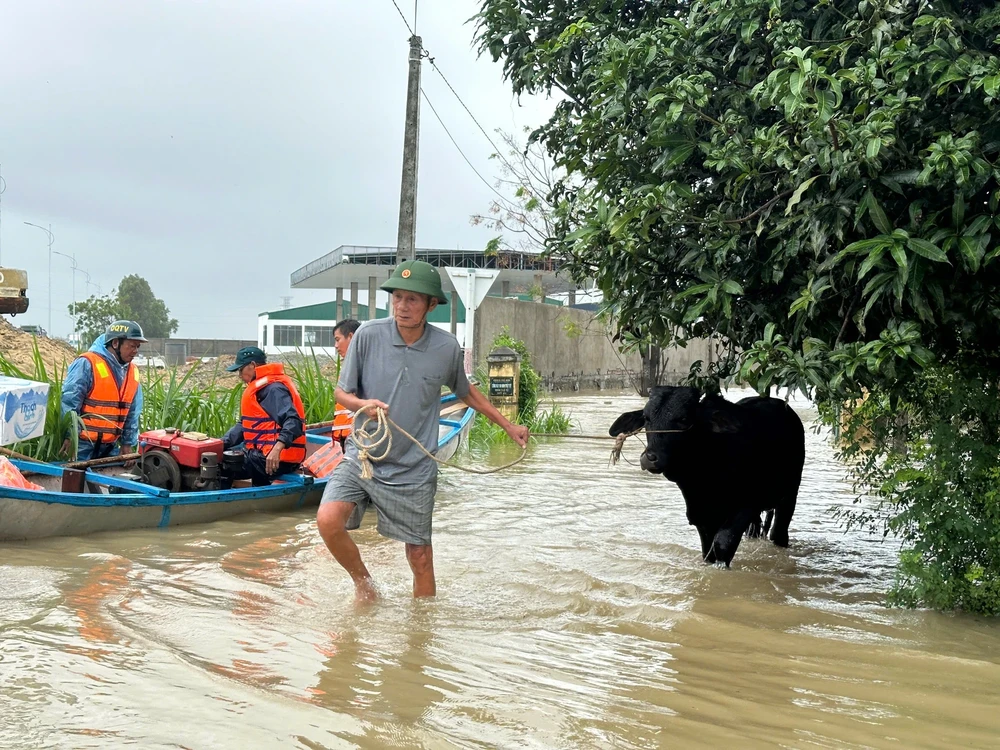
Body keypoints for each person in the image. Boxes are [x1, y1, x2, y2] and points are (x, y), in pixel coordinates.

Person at [316, 260, 530, 602]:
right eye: (397, 297)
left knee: (420, 556)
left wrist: (508, 425)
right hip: (366, 454)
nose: (402, 306)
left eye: (412, 299)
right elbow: (342, 393)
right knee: (328, 520)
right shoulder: (368, 335)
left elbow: (466, 392)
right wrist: (363, 405)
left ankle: (421, 635)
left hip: (415, 465)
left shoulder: (445, 347)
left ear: (431, 305)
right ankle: (365, 586)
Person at [61, 320, 146, 462]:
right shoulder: (87, 363)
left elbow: (132, 411)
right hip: (82, 446)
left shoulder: (132, 372)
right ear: (115, 343)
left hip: (110, 447)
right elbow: (70, 402)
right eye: (132, 346)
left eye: (138, 347)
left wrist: (127, 444)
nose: (135, 351)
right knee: (76, 482)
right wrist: (70, 437)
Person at [222, 346, 306, 486]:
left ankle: (220, 502)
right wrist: (219, 444)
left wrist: (277, 449)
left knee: (221, 464)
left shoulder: (273, 389)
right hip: (261, 455)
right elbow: (244, 426)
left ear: (252, 366)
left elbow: (293, 421)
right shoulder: (261, 389)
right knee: (219, 455)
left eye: (240, 370)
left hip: (276, 459)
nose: (240, 376)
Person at [331, 319, 361, 447]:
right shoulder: (349, 366)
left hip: (358, 436)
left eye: (338, 340)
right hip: (348, 436)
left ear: (351, 337)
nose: (336, 346)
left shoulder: (364, 364)